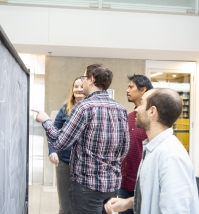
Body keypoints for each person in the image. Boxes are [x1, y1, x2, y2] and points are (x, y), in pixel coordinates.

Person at [33, 64, 129, 214]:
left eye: (84, 78)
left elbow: (60, 142)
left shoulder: (84, 107)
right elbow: (124, 148)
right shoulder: (121, 109)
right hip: (112, 186)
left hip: (86, 186)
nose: (82, 83)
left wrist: (46, 120)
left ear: (91, 80)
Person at [105, 88, 199, 214]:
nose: (136, 109)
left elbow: (176, 209)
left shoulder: (171, 157)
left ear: (152, 111)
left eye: (141, 103)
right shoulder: (153, 148)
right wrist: (127, 203)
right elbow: (154, 196)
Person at [48, 77, 85, 214]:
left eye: (82, 86)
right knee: (65, 203)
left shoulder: (89, 108)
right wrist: (52, 150)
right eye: (76, 86)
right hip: (64, 161)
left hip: (83, 163)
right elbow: (53, 132)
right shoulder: (65, 109)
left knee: (81, 201)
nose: (79, 89)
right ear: (72, 89)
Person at [118, 75, 153, 214]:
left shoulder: (152, 119)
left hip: (143, 185)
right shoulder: (129, 117)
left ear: (143, 90)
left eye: (131, 87)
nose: (127, 90)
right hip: (124, 184)